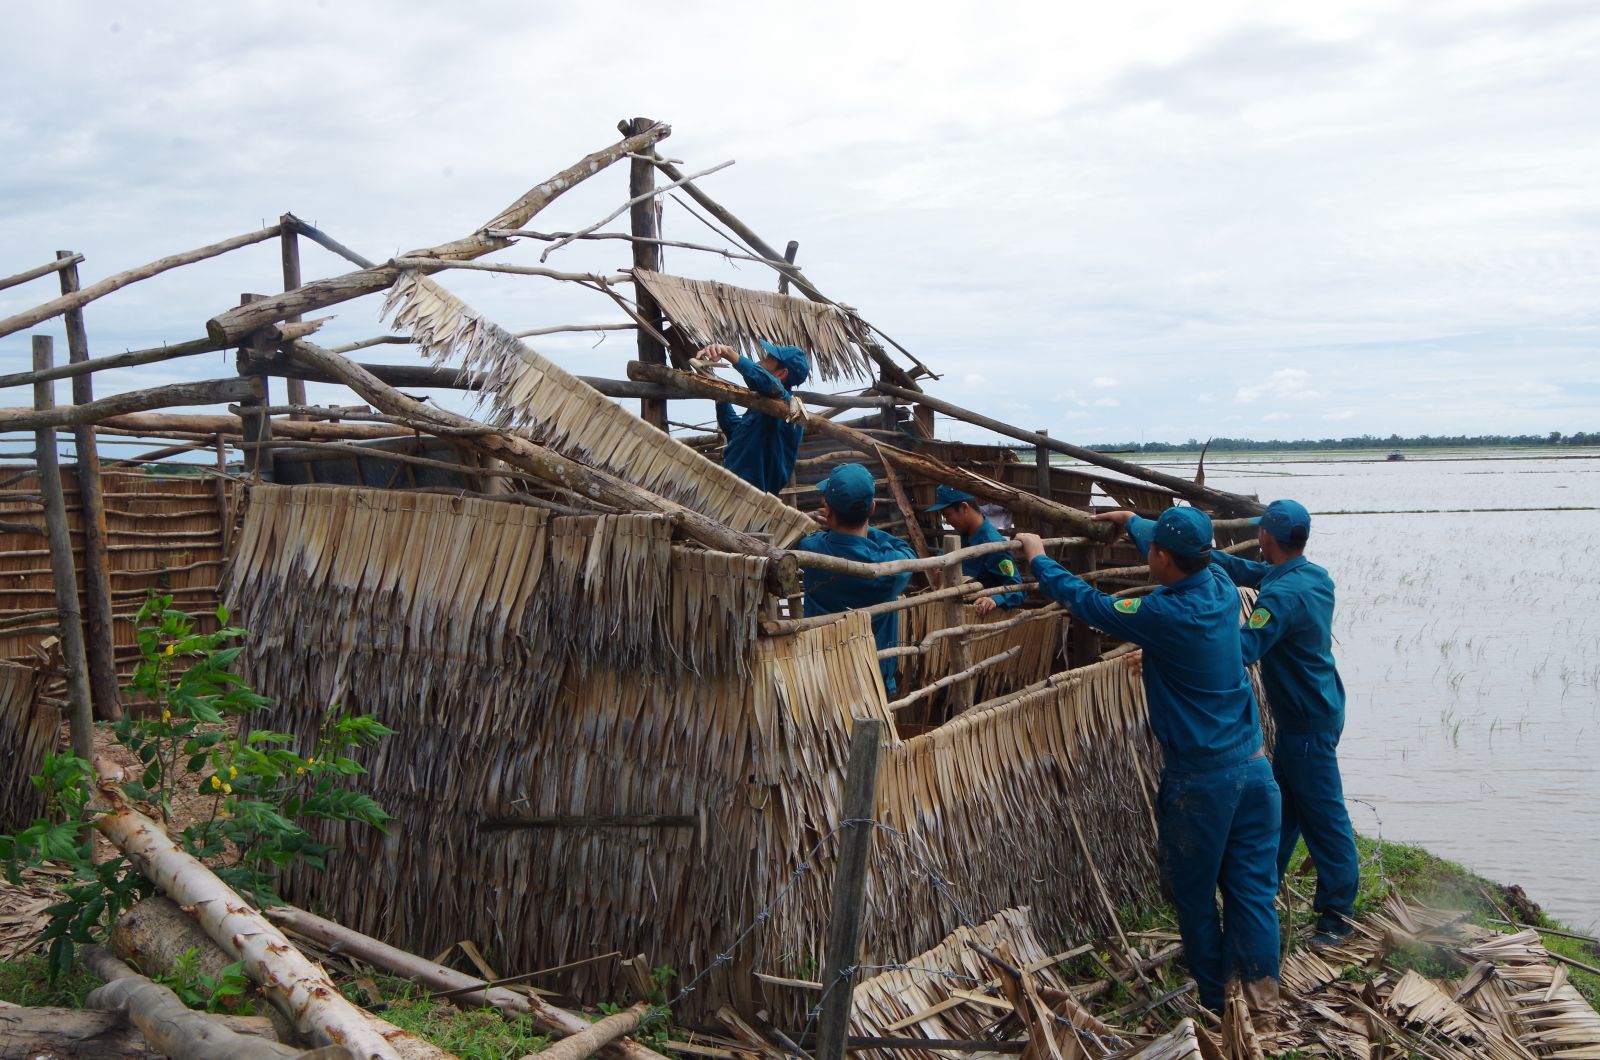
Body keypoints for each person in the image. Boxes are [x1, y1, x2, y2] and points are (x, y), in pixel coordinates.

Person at [1016, 508, 1281, 1013]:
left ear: (1161, 556)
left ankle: (1214, 1005)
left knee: (1195, 894)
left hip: (1203, 782)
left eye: (1152, 548)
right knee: (1252, 891)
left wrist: (1039, 559)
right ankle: (1260, 998)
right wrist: (1136, 521)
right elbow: (1177, 556)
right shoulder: (1221, 583)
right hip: (1254, 768)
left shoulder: (1162, 613)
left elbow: (1088, 604)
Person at [1211, 499, 1359, 947]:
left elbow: (1245, 648)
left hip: (1307, 724)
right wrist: (1200, 554)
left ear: (1266, 538)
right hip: (1319, 710)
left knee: (1325, 819)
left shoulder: (1281, 596)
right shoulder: (1311, 576)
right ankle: (1259, 894)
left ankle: (1337, 917)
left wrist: (1183, 644)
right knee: (1284, 811)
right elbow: (1249, 573)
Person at [795, 463, 916, 695]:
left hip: (822, 676)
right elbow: (905, 550)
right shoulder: (890, 565)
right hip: (872, 680)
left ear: (827, 510)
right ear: (872, 508)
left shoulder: (811, 549)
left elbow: (815, 536)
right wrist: (867, 528)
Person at [698, 340, 810, 495]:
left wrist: (729, 353)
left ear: (781, 373)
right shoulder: (763, 407)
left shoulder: (789, 407)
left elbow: (771, 385)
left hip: (752, 502)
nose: (759, 362)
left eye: (767, 360)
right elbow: (738, 435)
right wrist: (720, 395)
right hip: (731, 492)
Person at [925, 486, 1023, 615]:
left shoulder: (994, 546)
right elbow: (942, 558)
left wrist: (994, 600)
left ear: (965, 508)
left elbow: (1017, 590)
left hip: (980, 618)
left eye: (948, 515)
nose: (947, 521)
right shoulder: (960, 539)